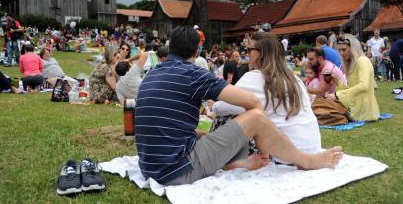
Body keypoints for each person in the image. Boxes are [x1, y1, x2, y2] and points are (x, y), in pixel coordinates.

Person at [135, 26, 343, 186]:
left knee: (212, 130)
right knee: (256, 118)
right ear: (197, 50)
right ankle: (307, 161)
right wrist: (262, 127)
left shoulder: (152, 73)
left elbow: (216, 111)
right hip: (177, 171)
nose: (244, 51)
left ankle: (238, 162)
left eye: (248, 49)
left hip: (150, 167)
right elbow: (253, 105)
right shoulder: (193, 73)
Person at [211, 33, 322, 163]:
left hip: (283, 155)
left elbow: (221, 108)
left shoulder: (253, 78)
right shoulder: (294, 79)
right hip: (312, 148)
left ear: (260, 53)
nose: (246, 54)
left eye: (249, 50)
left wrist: (212, 104)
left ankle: (227, 161)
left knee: (224, 119)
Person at [326, 34, 380, 121]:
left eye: (344, 49)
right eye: (339, 50)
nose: (341, 53)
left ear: (353, 48)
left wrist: (337, 95)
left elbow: (364, 86)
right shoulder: (352, 62)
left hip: (363, 111)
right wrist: (337, 81)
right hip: (355, 105)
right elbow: (352, 88)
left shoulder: (362, 61)